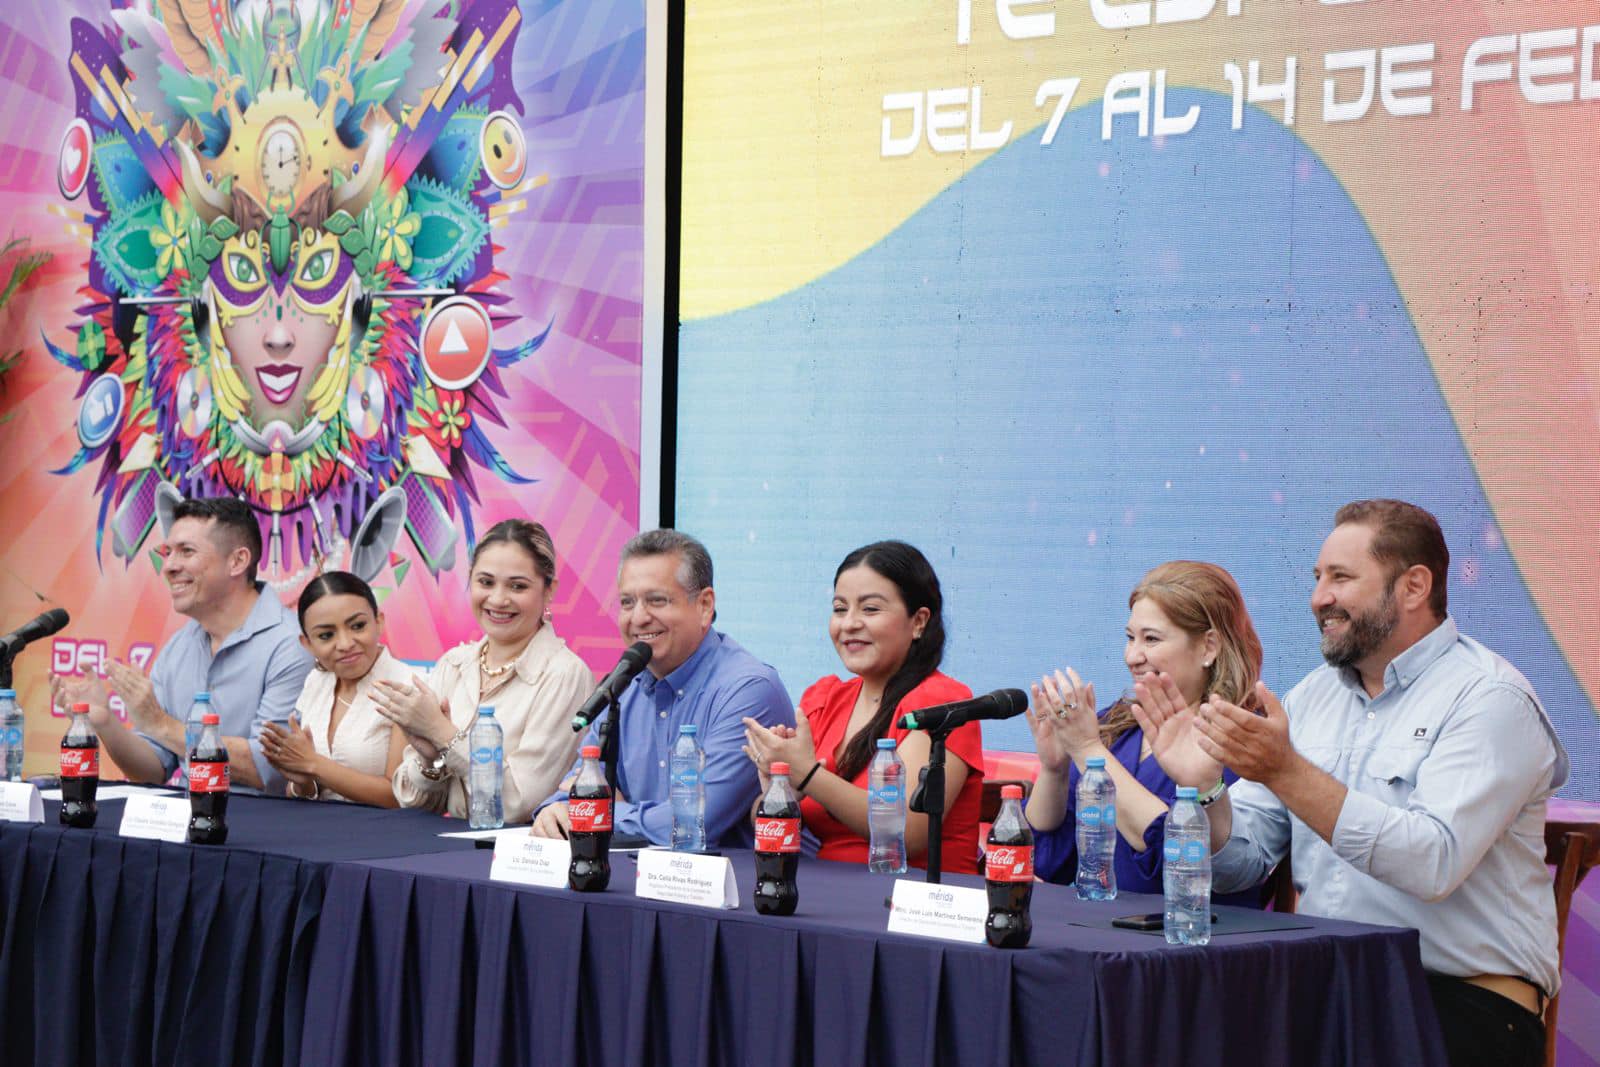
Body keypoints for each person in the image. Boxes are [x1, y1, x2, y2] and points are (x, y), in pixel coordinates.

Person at [1135, 500, 1567, 1067]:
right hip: (1328, 991)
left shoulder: (1488, 699)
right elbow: (1241, 862)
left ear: (1414, 586)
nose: (1319, 598)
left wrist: (1285, 769)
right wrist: (1206, 790)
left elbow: (1431, 862)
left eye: (1341, 577)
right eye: (1317, 578)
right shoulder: (1313, 696)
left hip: (1457, 1005)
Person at [531, 529, 794, 847]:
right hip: (633, 880)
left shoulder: (748, 690)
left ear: (705, 605)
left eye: (657, 600)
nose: (638, 617)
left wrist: (605, 810)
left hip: (729, 887)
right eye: (627, 603)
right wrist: (555, 811)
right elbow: (569, 793)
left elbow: (691, 822)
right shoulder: (624, 685)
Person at [1023, 561, 1264, 900]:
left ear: (1208, 647)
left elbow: (1178, 854)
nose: (1132, 656)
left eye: (1151, 639)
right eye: (1129, 638)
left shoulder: (1240, 735)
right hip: (1102, 933)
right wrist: (1055, 769)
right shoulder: (1117, 724)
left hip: (1188, 937)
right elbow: (1048, 862)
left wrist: (1088, 749)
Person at [741, 540, 986, 872]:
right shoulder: (824, 700)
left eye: (870, 609)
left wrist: (809, 775)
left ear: (919, 621)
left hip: (914, 903)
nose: (849, 623)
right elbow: (774, 830)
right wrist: (778, 794)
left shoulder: (943, 703)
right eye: (840, 608)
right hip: (827, 895)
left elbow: (906, 831)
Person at [50, 496, 312, 794]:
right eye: (168, 552)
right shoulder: (179, 647)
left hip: (260, 831)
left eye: (187, 552)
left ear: (237, 561)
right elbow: (153, 770)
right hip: (183, 824)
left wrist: (161, 724)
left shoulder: (290, 645)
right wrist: (105, 722)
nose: (169, 567)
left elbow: (271, 770)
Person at [375, 520, 593, 823]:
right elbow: (412, 799)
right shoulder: (453, 664)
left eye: (518, 586)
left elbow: (519, 804)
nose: (498, 599)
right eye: (486, 582)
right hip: (438, 850)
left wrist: (442, 734)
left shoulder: (565, 674)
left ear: (549, 590)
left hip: (520, 857)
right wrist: (429, 758)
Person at [259, 571, 410, 805]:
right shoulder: (316, 682)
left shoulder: (407, 687)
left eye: (358, 626)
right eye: (326, 635)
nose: (345, 644)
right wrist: (302, 781)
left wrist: (313, 764)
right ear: (307, 644)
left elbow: (399, 796)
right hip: (320, 831)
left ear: (379, 621)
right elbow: (305, 789)